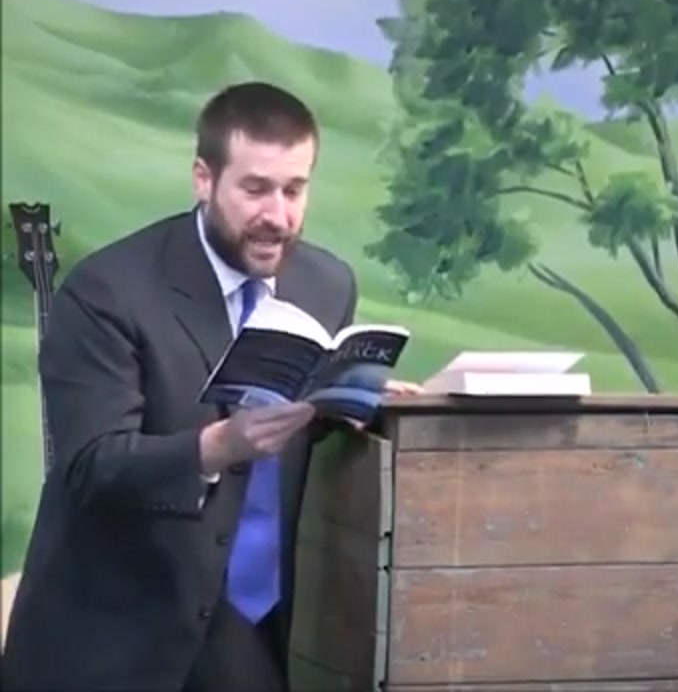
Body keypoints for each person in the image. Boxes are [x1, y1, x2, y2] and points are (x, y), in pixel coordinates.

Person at [2, 81, 421, 692]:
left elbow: (297, 423)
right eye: (255, 189)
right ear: (204, 179)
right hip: (111, 648)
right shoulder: (107, 291)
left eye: (294, 189)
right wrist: (219, 446)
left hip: (251, 642)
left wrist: (350, 402)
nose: (278, 216)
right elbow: (91, 464)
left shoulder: (328, 284)